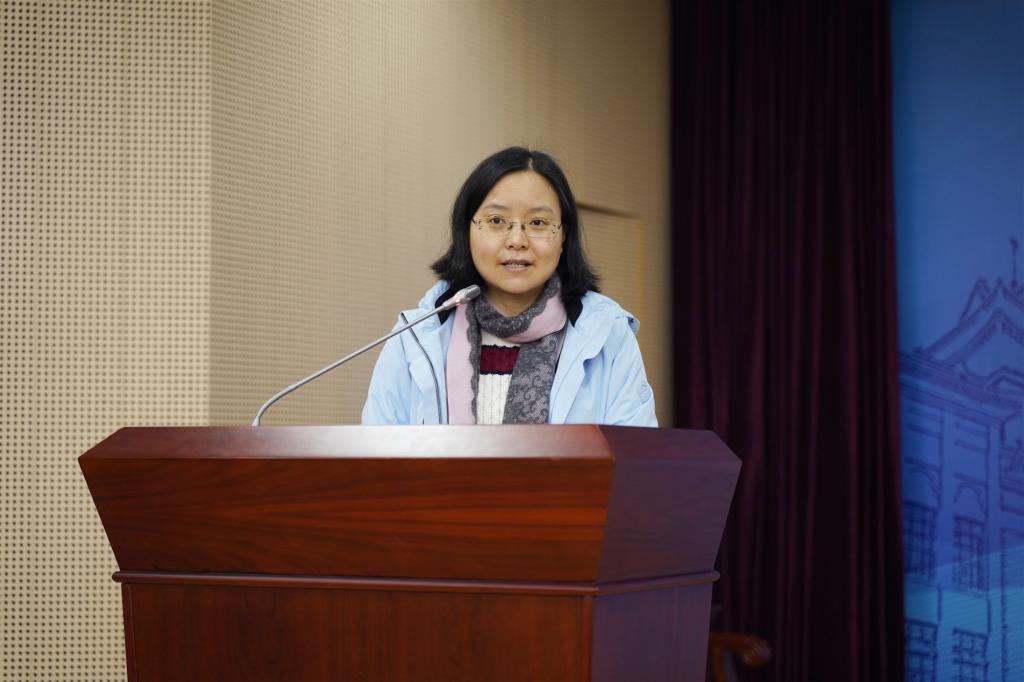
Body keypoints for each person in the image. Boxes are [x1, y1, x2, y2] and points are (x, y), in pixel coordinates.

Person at [362, 147, 656, 426]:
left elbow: (634, 455)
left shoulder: (608, 335)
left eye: (538, 223)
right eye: (496, 220)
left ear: (564, 235)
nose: (517, 240)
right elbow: (378, 452)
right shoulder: (414, 336)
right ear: (467, 229)